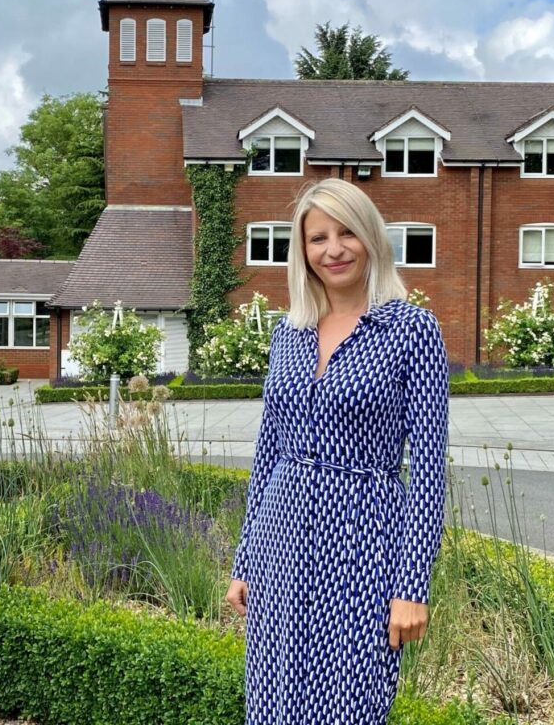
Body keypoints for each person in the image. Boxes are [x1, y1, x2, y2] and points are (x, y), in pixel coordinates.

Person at [225, 178, 448, 724]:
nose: (334, 249)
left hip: (363, 542)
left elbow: (428, 470)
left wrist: (411, 587)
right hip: (281, 543)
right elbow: (269, 452)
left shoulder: (412, 330)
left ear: (370, 237)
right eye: (318, 237)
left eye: (347, 233)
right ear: (302, 251)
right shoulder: (289, 332)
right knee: (275, 698)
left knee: (351, 699)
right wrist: (245, 560)